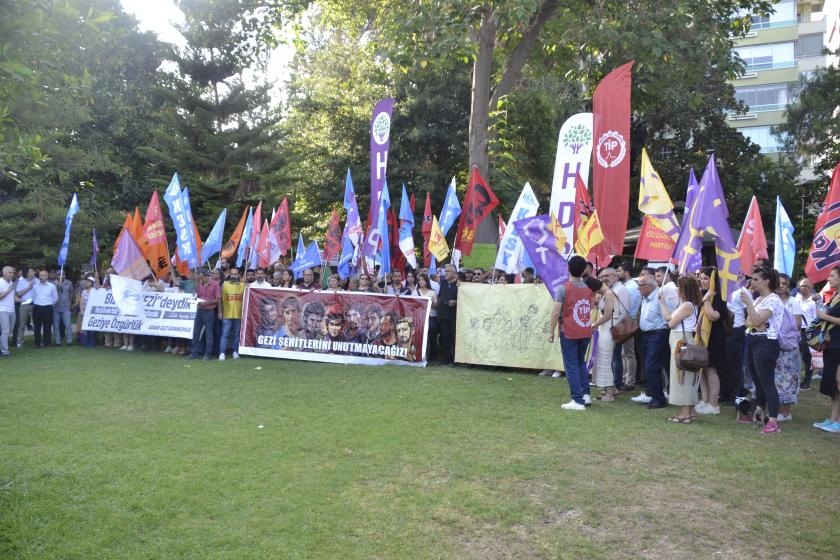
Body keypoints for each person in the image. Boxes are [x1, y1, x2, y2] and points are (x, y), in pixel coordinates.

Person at [742, 267, 785, 434]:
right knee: (757, 381)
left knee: (766, 381)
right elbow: (748, 322)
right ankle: (759, 414)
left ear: (766, 281)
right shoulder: (759, 299)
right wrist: (755, 319)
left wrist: (748, 305)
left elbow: (757, 319)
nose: (752, 282)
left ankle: (774, 421)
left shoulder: (773, 299)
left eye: (756, 279)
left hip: (766, 343)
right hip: (753, 340)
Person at [549, 256, 595, 410]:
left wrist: (550, 331)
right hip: (585, 330)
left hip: (569, 331)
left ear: (568, 269)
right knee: (580, 362)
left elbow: (555, 313)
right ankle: (585, 395)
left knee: (571, 366)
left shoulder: (563, 289)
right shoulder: (589, 289)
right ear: (584, 270)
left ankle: (577, 399)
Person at [659, 275, 702, 423]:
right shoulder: (689, 304)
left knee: (681, 376)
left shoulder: (686, 305)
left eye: (679, 286)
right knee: (685, 375)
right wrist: (663, 303)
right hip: (682, 340)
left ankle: (685, 413)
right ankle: (688, 411)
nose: (676, 289)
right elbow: (669, 318)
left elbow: (671, 323)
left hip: (681, 341)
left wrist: (667, 310)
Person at [696, 267, 730, 415]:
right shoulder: (703, 295)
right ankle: (705, 400)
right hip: (702, 338)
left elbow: (714, 316)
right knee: (701, 369)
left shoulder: (719, 297)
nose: (702, 281)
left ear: (713, 280)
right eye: (701, 278)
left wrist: (706, 301)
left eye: (705, 278)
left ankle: (713, 404)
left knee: (711, 369)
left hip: (715, 338)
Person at [634, 273, 671, 409]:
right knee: (649, 367)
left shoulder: (659, 296)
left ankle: (659, 398)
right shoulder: (645, 297)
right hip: (646, 335)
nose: (638, 289)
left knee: (652, 367)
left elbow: (668, 317)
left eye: (640, 286)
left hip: (658, 334)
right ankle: (654, 395)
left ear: (649, 286)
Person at [813, 266, 840, 432]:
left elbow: (832, 318)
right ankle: (833, 419)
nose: (828, 279)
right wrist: (819, 303)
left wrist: (824, 316)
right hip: (832, 344)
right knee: (833, 384)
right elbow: (827, 314)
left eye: (832, 276)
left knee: (838, 381)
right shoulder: (835, 295)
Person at [592, 268, 625, 401]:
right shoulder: (604, 294)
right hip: (603, 330)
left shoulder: (609, 293)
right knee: (602, 360)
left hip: (608, 329)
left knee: (606, 361)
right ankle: (606, 389)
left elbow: (606, 315)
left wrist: (594, 325)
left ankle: (610, 392)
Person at [616, 261, 640, 389]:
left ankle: (629, 381)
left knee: (629, 353)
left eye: (619, 271)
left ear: (626, 273)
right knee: (624, 353)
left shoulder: (631, 287)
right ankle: (625, 378)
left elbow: (627, 306)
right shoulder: (626, 285)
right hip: (624, 320)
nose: (617, 273)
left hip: (628, 320)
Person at [188, 270, 219, 361]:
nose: (200, 279)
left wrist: (207, 302)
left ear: (207, 276)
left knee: (208, 334)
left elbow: (218, 299)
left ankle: (207, 355)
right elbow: (198, 295)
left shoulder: (215, 284)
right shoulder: (201, 284)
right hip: (200, 310)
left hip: (209, 311)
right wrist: (195, 299)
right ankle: (194, 354)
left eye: (202, 278)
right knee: (196, 332)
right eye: (199, 278)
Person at [219, 266, 244, 360]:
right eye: (232, 274)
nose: (233, 276)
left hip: (239, 314)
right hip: (227, 314)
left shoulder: (243, 285)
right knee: (225, 334)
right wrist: (220, 312)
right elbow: (220, 300)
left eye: (235, 274)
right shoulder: (224, 284)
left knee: (236, 334)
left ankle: (235, 351)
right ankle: (222, 353)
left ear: (239, 275)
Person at [796, 277, 817, 389]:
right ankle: (796, 378)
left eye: (806, 286)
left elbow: (816, 318)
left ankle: (807, 381)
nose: (803, 288)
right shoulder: (796, 299)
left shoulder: (814, 301)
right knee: (795, 355)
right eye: (802, 285)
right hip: (796, 330)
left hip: (808, 331)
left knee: (807, 357)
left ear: (811, 288)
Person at [31, 269, 58, 348]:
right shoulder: (35, 286)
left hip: (48, 308)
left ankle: (47, 343)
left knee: (47, 326)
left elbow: (55, 298)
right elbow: (33, 297)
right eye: (40, 276)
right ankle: (37, 343)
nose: (41, 277)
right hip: (37, 307)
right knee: (37, 327)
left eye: (42, 275)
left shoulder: (52, 286)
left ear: (47, 276)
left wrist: (50, 305)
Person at [437, 264, 458, 365]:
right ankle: (446, 358)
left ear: (454, 273)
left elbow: (463, 299)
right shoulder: (444, 283)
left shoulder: (459, 285)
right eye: (445, 271)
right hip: (443, 315)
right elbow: (440, 296)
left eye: (448, 271)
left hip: (454, 316)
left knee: (453, 338)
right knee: (445, 338)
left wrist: (455, 302)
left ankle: (455, 359)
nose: (446, 273)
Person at [417, 273, 438, 361]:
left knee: (432, 337)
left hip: (431, 317)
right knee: (421, 337)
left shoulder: (432, 292)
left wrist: (430, 302)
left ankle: (432, 357)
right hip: (420, 318)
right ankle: (421, 355)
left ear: (426, 281)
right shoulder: (416, 292)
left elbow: (436, 306)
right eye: (420, 280)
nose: (421, 281)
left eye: (423, 280)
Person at [52, 270, 74, 346]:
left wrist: (70, 301)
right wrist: (58, 286)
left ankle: (69, 341)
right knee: (56, 326)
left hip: (66, 307)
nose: (61, 276)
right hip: (55, 308)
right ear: (56, 275)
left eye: (63, 274)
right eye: (59, 274)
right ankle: (58, 342)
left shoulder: (69, 282)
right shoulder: (52, 283)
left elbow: (71, 292)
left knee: (67, 325)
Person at [15, 267, 36, 348]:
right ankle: (19, 341)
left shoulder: (37, 281)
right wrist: (29, 288)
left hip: (36, 304)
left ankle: (37, 341)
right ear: (27, 273)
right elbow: (18, 294)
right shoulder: (21, 282)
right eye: (32, 271)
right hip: (24, 305)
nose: (34, 272)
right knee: (22, 324)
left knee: (36, 324)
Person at [0, 265, 15, 357]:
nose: (12, 274)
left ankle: (2, 347)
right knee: (5, 331)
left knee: (9, 331)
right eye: (10, 273)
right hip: (2, 310)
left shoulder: (11, 283)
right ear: (4, 273)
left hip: (12, 310)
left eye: (13, 273)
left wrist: (21, 300)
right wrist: (9, 290)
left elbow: (12, 296)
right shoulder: (0, 282)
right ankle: (5, 351)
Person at [77, 276, 97, 347]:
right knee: (85, 328)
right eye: (86, 281)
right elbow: (81, 302)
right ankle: (85, 344)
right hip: (85, 312)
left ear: (92, 283)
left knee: (91, 329)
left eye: (89, 281)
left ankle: (91, 343)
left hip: (92, 312)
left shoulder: (95, 291)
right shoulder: (83, 291)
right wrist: (81, 311)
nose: (87, 282)